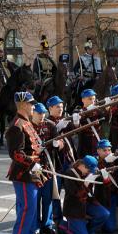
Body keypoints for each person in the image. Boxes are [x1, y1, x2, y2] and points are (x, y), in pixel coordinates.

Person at [5, 91, 43, 234]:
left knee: (31, 208)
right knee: (27, 208)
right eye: (31, 103)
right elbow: (16, 154)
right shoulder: (17, 126)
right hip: (23, 174)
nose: (33, 106)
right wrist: (32, 161)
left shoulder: (26, 122)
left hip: (30, 172)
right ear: (23, 105)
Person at [57, 155, 110, 234]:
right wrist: (85, 184)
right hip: (74, 208)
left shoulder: (88, 173)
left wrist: (106, 178)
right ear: (81, 165)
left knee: (104, 214)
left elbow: (106, 187)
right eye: (88, 170)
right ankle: (64, 226)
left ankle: (89, 230)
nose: (89, 172)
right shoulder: (70, 173)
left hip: (87, 203)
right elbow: (74, 194)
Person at [45, 95, 76, 226]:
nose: (60, 109)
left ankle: (71, 215)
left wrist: (76, 122)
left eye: (62, 107)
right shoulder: (46, 122)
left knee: (71, 189)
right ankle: (56, 218)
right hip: (56, 161)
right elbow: (48, 139)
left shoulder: (65, 120)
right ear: (50, 108)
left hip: (68, 159)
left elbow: (74, 131)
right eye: (57, 107)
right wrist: (57, 127)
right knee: (56, 192)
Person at [31, 103, 60, 234]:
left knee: (47, 197)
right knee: (36, 198)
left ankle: (46, 224)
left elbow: (58, 144)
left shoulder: (51, 125)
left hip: (48, 165)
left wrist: (56, 144)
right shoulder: (28, 126)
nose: (42, 116)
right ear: (33, 113)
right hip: (34, 167)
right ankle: (35, 225)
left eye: (43, 113)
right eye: (39, 113)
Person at [73, 89, 108, 156]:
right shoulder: (78, 111)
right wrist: (88, 110)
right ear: (83, 100)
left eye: (94, 99)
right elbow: (77, 126)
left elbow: (106, 119)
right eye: (90, 99)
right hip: (85, 144)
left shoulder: (97, 110)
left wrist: (107, 107)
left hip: (97, 141)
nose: (92, 101)